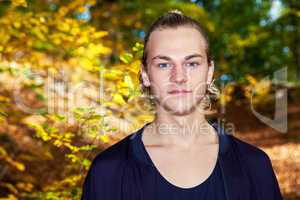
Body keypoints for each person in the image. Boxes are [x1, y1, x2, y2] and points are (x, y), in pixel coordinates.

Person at [81, 10, 283, 200]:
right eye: (164, 64)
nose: (179, 77)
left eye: (192, 63)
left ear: (209, 71)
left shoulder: (254, 166)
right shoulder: (108, 172)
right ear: (145, 74)